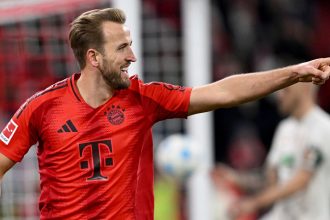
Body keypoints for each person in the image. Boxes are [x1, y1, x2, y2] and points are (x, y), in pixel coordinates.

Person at [0, 8, 330, 219]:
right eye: (121, 48)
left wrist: (293, 73)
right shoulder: (43, 108)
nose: (132, 56)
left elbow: (225, 91)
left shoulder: (143, 99)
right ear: (93, 57)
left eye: (130, 44)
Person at [227, 82, 330, 220]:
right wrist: (237, 178)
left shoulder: (322, 127)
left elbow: (301, 180)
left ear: (305, 89)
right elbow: (270, 181)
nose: (279, 96)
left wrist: (253, 203)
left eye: (286, 90)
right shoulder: (284, 129)